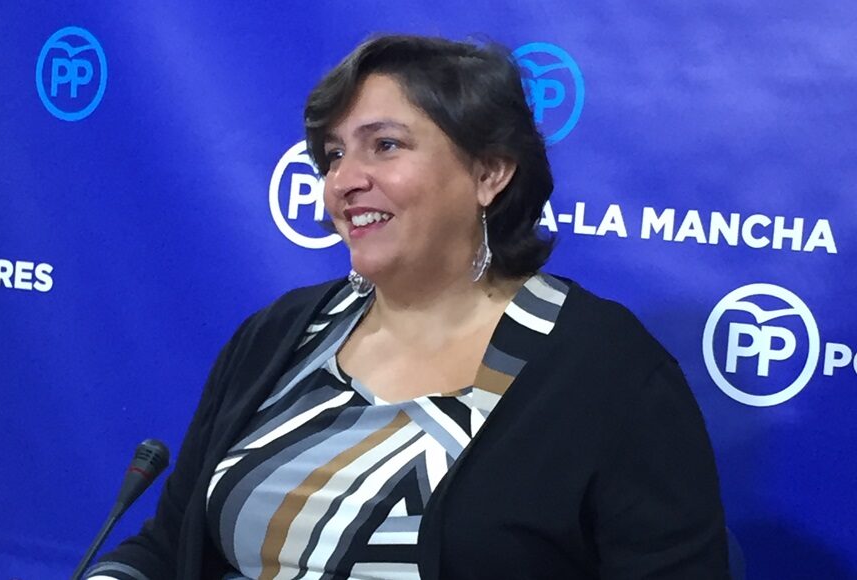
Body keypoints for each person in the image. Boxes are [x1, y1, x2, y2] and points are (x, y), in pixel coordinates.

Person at [87, 35, 729, 579]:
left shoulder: (608, 371)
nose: (345, 179)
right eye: (334, 155)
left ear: (489, 173)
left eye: (385, 145)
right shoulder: (279, 334)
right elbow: (170, 546)